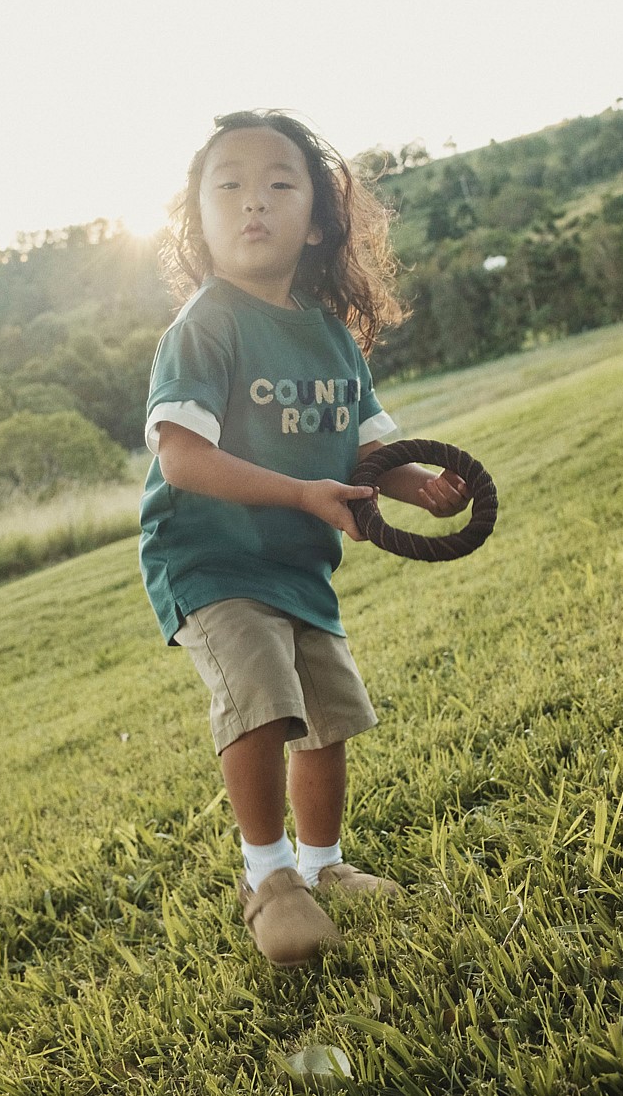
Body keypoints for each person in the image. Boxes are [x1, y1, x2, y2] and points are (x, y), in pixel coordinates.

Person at [138, 110, 468, 967]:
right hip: (209, 560)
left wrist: (418, 488)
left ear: (318, 220)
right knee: (262, 699)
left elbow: (370, 452)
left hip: (298, 562)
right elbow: (182, 459)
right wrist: (303, 493)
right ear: (199, 222)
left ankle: (323, 866)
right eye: (230, 187)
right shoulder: (205, 327)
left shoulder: (329, 335)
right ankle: (269, 878)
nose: (255, 202)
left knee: (329, 720)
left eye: (280, 185)